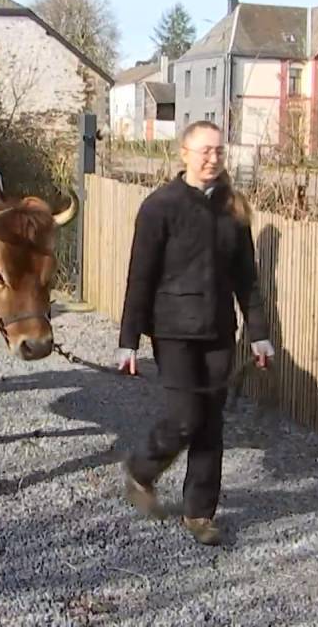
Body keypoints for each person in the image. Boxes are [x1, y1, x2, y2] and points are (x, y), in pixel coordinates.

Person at [115, 120, 275, 546]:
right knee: (186, 417)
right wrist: (128, 340)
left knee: (211, 426)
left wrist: (258, 333)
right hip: (173, 331)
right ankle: (142, 470)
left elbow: (248, 279)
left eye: (219, 151)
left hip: (220, 330)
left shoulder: (233, 209)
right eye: (204, 151)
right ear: (183, 153)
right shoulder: (159, 207)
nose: (212, 159)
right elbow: (140, 278)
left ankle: (200, 513)